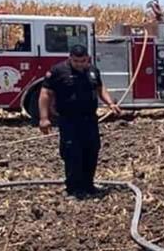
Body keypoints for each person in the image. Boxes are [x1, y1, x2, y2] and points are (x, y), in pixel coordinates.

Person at [39, 44, 121, 198]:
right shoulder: (58, 71)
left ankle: (88, 185)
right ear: (70, 58)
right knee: (72, 153)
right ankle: (74, 188)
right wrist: (44, 118)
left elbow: (100, 88)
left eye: (82, 61)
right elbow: (45, 94)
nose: (79, 64)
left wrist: (110, 103)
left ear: (87, 59)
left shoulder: (92, 71)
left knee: (92, 150)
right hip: (69, 120)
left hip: (90, 119)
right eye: (76, 61)